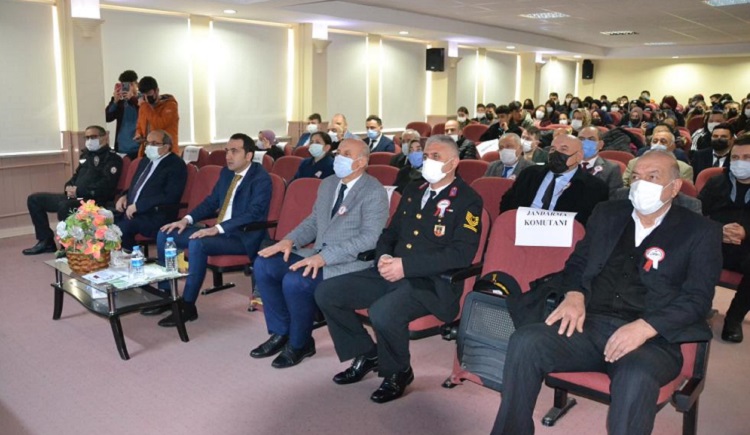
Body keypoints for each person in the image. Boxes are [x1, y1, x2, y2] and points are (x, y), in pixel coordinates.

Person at [492, 150, 722, 435]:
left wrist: (646, 327)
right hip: (589, 325)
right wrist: (574, 294)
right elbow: (577, 263)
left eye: (652, 177)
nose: (641, 184)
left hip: (652, 339)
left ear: (674, 187)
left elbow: (698, 299)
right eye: (636, 177)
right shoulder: (607, 213)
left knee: (635, 376)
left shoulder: (700, 231)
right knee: (526, 342)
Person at [315, 135, 483, 404]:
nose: (428, 161)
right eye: (426, 156)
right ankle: (367, 354)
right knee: (327, 292)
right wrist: (383, 256)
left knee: (382, 312)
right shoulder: (414, 190)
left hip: (431, 283)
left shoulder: (467, 200)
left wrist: (405, 266)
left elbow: (460, 254)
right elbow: (390, 233)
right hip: (391, 270)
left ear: (453, 163)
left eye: (436, 157)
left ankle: (398, 372)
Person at [251, 138, 389, 368]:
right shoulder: (328, 183)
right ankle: (281, 332)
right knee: (265, 264)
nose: (339, 157)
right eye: (338, 152)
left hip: (349, 262)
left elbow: (369, 239)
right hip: (316, 254)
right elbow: (314, 222)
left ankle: (300, 343)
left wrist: (325, 257)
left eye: (346, 154)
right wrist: (288, 241)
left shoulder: (374, 191)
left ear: (361, 162)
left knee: (296, 280)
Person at [152, 133, 271, 326]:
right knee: (165, 233)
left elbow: (253, 214)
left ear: (249, 155)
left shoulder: (261, 178)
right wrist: (186, 220)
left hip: (243, 237)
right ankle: (166, 295)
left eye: (234, 151)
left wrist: (218, 228)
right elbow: (211, 202)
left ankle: (188, 306)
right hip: (220, 232)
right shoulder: (226, 173)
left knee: (198, 243)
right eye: (227, 151)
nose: (228, 156)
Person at [24, 126, 123, 255]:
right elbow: (76, 176)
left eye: (93, 137)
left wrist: (79, 191)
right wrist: (68, 188)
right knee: (34, 200)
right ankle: (46, 241)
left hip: (93, 200)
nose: (89, 140)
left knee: (65, 206)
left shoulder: (113, 159)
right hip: (76, 196)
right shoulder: (86, 155)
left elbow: (106, 186)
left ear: (105, 137)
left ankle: (68, 245)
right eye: (87, 137)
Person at [699, 134, 750, 343]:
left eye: (747, 158)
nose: (740, 162)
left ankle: (733, 319)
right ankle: (698, 309)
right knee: (692, 253)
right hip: (714, 240)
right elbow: (697, 215)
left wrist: (746, 232)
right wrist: (718, 230)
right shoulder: (716, 182)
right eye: (735, 157)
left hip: (747, 248)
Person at [500, 134, 609, 224]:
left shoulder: (594, 187)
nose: (555, 153)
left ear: (579, 156)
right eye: (552, 149)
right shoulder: (530, 174)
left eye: (563, 149)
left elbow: (590, 224)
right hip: (521, 230)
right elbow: (507, 203)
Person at [114, 130, 187, 251]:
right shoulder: (145, 161)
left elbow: (170, 196)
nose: (149, 146)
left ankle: (135, 255)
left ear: (166, 147)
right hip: (133, 211)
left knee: (122, 228)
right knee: (105, 221)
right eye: (147, 143)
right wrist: (124, 196)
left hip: (155, 214)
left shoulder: (176, 165)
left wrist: (139, 206)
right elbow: (136, 185)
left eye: (154, 143)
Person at [623, 130, 693, 186]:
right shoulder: (634, 163)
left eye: (663, 142)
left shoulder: (684, 169)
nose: (658, 144)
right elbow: (624, 187)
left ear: (673, 146)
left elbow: (684, 194)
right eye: (655, 141)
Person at [134, 76, 179, 156]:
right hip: (147, 150)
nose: (146, 97)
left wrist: (144, 106)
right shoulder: (144, 107)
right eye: (143, 94)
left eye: (149, 93)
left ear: (157, 90)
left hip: (166, 151)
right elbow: (139, 126)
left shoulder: (170, 105)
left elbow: (159, 125)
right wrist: (139, 135)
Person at [578, 126, 624, 195]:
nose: (585, 142)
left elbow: (613, 197)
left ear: (600, 144)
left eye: (591, 139)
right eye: (581, 139)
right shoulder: (566, 164)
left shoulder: (611, 169)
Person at [105, 70, 140, 159]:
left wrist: (132, 98)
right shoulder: (120, 102)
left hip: (138, 148)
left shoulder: (143, 99)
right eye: (124, 85)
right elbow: (107, 118)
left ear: (136, 84)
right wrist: (115, 101)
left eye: (130, 84)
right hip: (121, 148)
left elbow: (144, 112)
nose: (126, 88)